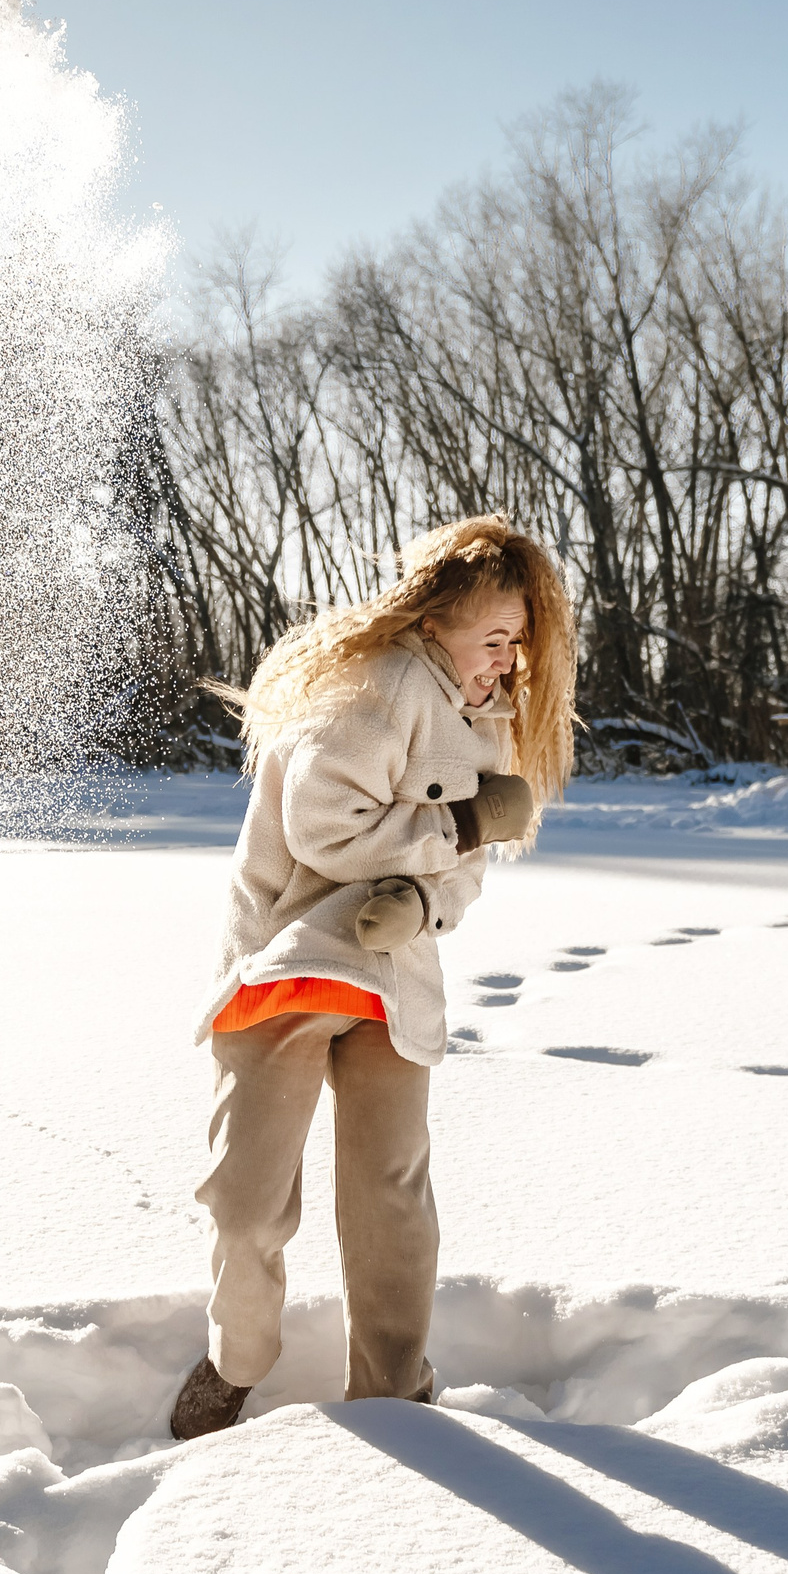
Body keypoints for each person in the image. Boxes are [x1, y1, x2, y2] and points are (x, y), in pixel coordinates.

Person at [168, 514, 575, 1439]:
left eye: (520, 642)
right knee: (249, 1198)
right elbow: (325, 827)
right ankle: (237, 1360)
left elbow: (463, 878)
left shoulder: (487, 721)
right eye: (496, 638)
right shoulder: (376, 685)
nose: (509, 662)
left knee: (391, 1200)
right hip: (289, 970)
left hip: (390, 980)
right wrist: (458, 829)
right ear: (436, 618)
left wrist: (423, 906)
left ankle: (394, 1394)